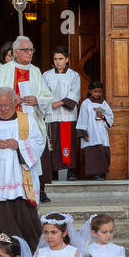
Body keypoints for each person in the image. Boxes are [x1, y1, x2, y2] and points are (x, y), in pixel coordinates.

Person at [0, 87, 45, 249]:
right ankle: (5, 254)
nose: (3, 109)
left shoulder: (27, 122)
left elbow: (39, 144)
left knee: (26, 220)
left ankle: (30, 252)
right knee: (1, 221)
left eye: (6, 105)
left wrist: (18, 145)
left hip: (21, 183)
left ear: (14, 103)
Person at [0, 36, 55, 202]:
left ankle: (39, 189)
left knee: (33, 150)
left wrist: (37, 100)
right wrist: (9, 100)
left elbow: (47, 96)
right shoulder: (5, 69)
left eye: (31, 50)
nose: (29, 53)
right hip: (10, 120)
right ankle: (11, 188)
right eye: (26, 50)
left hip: (30, 118)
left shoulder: (36, 71)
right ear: (16, 52)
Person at [41, 46, 80, 186]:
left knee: (66, 143)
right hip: (51, 116)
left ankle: (69, 171)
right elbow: (42, 92)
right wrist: (47, 102)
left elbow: (74, 93)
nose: (58, 62)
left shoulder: (74, 75)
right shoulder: (46, 75)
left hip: (67, 115)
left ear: (67, 59)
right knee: (52, 143)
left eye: (61, 59)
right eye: (55, 59)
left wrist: (59, 102)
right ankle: (52, 172)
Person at [75, 80, 113, 180]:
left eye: (99, 92)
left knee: (103, 152)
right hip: (91, 132)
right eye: (95, 92)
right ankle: (95, 174)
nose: (97, 94)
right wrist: (83, 134)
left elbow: (110, 116)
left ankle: (102, 173)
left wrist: (103, 116)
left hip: (101, 132)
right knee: (93, 154)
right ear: (90, 91)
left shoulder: (103, 104)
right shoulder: (86, 103)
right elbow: (82, 118)